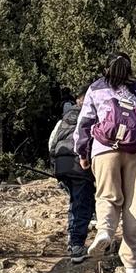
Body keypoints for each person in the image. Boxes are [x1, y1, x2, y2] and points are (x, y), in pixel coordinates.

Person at [75, 53, 136, 273]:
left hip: (104, 149)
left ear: (106, 68)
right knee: (132, 203)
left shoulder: (96, 88)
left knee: (107, 196)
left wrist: (83, 152)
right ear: (129, 69)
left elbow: (84, 123)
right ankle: (132, 263)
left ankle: (105, 232)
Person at [48, 93, 95, 261]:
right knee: (82, 204)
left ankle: (73, 238)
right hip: (79, 165)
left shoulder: (64, 119)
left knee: (76, 202)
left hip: (61, 167)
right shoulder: (91, 116)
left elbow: (52, 143)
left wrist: (55, 166)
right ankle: (76, 246)